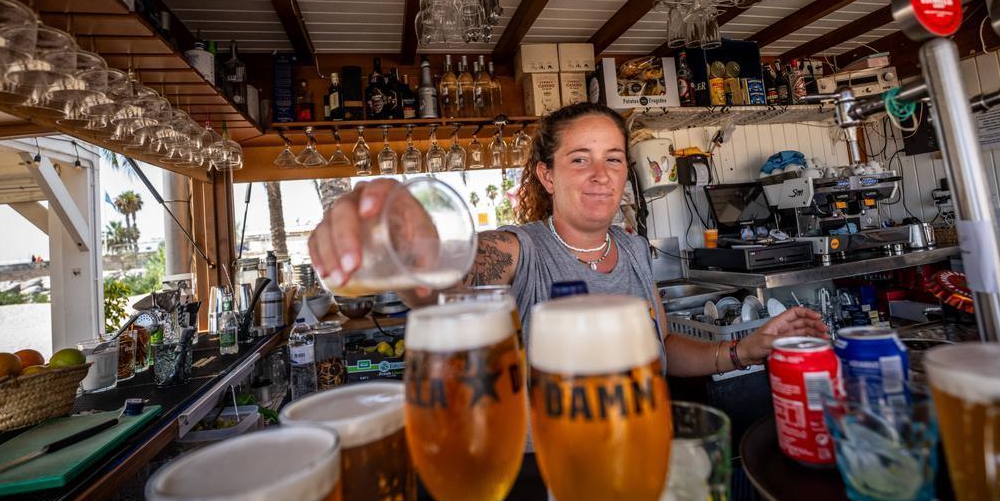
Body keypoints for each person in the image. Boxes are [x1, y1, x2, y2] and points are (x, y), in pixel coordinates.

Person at [308, 102, 828, 377]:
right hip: (552, 467)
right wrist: (402, 244)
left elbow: (662, 351)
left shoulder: (633, 249)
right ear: (548, 177)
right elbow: (447, 275)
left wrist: (745, 348)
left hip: (643, 451)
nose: (600, 174)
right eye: (580, 159)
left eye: (614, 158)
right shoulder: (523, 249)